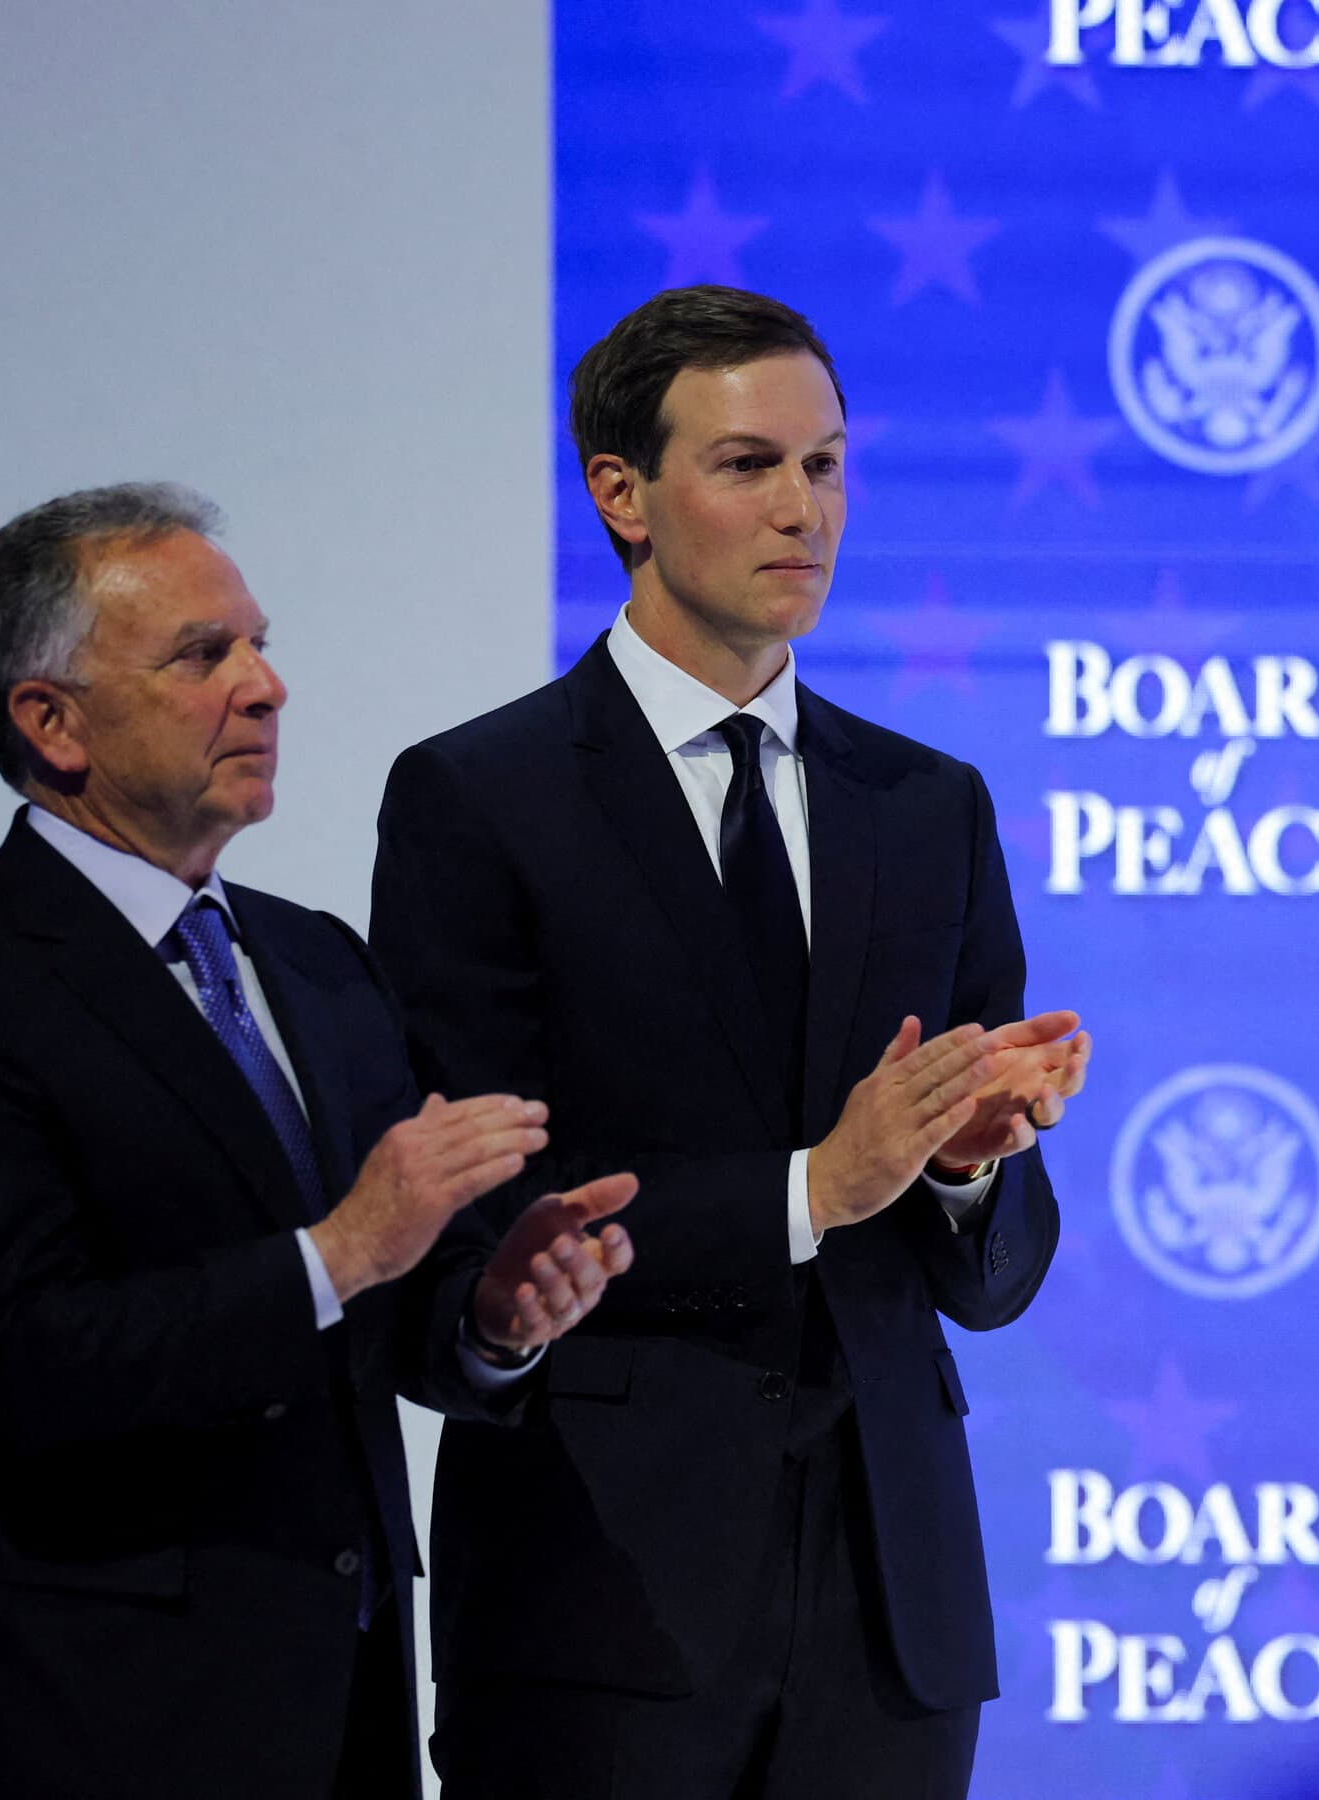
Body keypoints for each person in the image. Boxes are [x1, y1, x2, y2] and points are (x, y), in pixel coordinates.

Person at [369, 286, 1092, 1799]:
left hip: (893, 1623)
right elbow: (488, 1208)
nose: (803, 510)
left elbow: (997, 1277)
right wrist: (812, 1189)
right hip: (601, 1604)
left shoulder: (930, 807)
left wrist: (965, 1170)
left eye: (827, 466)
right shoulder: (478, 800)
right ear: (619, 494)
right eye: (750, 465)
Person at [0, 483, 635, 1800]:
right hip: (76, 1722)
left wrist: (491, 1316)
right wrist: (338, 1251)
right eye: (204, 655)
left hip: (337, 1708)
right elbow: (16, 1366)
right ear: (51, 722)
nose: (266, 688)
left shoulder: (318, 963)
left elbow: (381, 1311)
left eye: (258, 644)